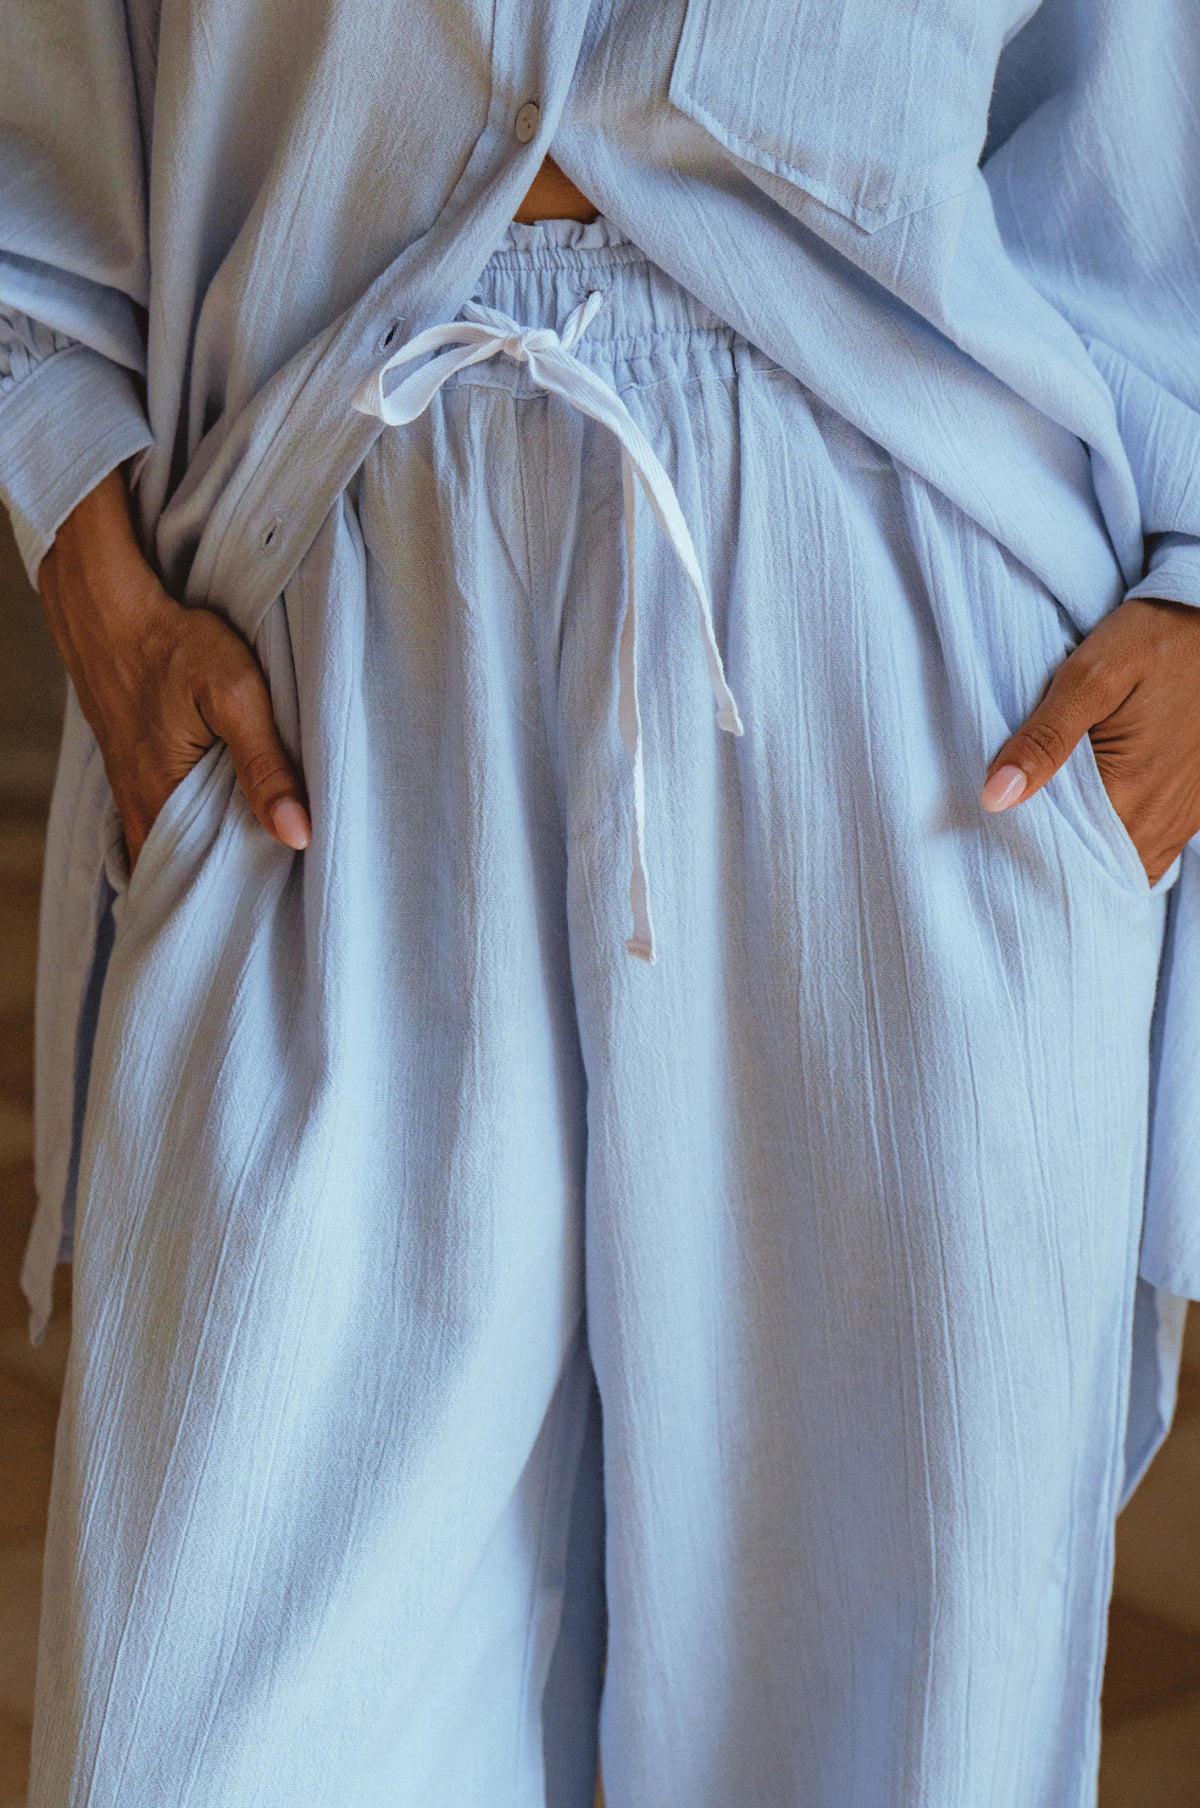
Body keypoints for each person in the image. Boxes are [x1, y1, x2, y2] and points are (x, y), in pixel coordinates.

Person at [3, 1, 1200, 1802]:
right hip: (316, 603)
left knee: (878, 1726)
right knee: (216, 1721)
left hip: (917, 673)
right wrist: (93, 576)